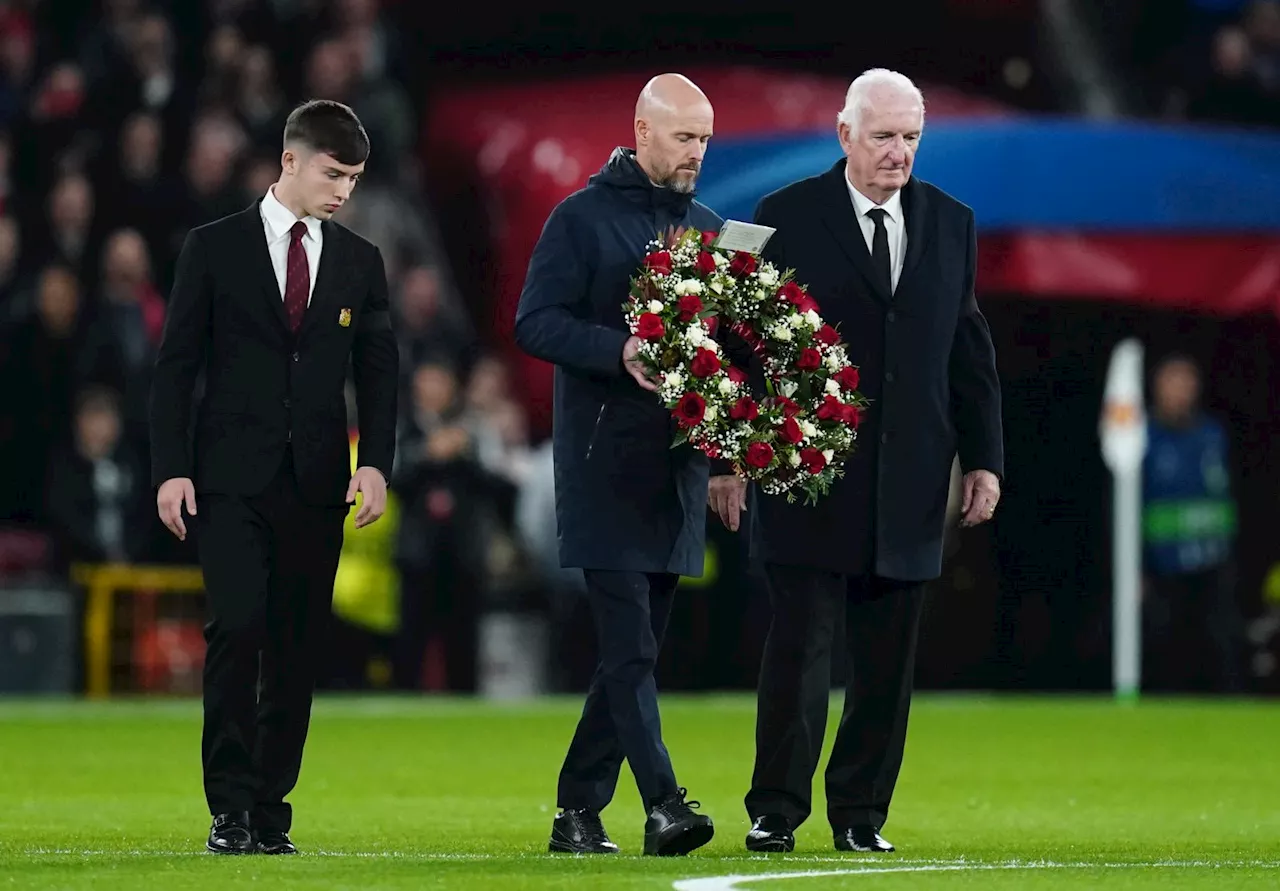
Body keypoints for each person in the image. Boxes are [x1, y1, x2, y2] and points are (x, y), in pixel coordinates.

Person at [708, 69, 1003, 854]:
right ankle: (775, 808)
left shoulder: (953, 222)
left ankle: (860, 816)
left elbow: (967, 349)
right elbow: (735, 347)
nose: (899, 152)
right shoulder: (782, 215)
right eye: (884, 136)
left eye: (910, 137)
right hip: (806, 477)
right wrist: (728, 458)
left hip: (911, 482)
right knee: (799, 652)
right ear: (845, 135)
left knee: (886, 666)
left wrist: (984, 459)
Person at [149, 100, 398, 855]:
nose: (344, 191)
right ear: (290, 160)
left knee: (295, 649)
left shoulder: (360, 260)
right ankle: (227, 807)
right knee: (238, 629)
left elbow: (379, 373)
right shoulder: (213, 247)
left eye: (354, 178)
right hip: (228, 480)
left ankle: (268, 808)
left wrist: (378, 463)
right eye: (333, 173)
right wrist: (171, 470)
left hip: (317, 481)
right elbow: (175, 369)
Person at [513, 73, 720, 857]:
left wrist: (730, 454)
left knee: (631, 654)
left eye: (704, 138)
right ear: (641, 130)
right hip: (602, 467)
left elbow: (721, 353)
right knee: (631, 649)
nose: (697, 151)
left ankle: (575, 811)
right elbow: (535, 322)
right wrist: (617, 348)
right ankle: (664, 803)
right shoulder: (580, 219)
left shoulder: (708, 227)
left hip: (676, 473)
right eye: (683, 136)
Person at [1141, 355, 1241, 693]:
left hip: (1213, 559)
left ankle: (1231, 706)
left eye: (1187, 382)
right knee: (1165, 638)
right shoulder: (1141, 438)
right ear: (1156, 387)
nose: (1180, 391)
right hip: (1163, 565)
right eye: (1173, 382)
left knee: (1220, 635)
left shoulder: (1213, 434)